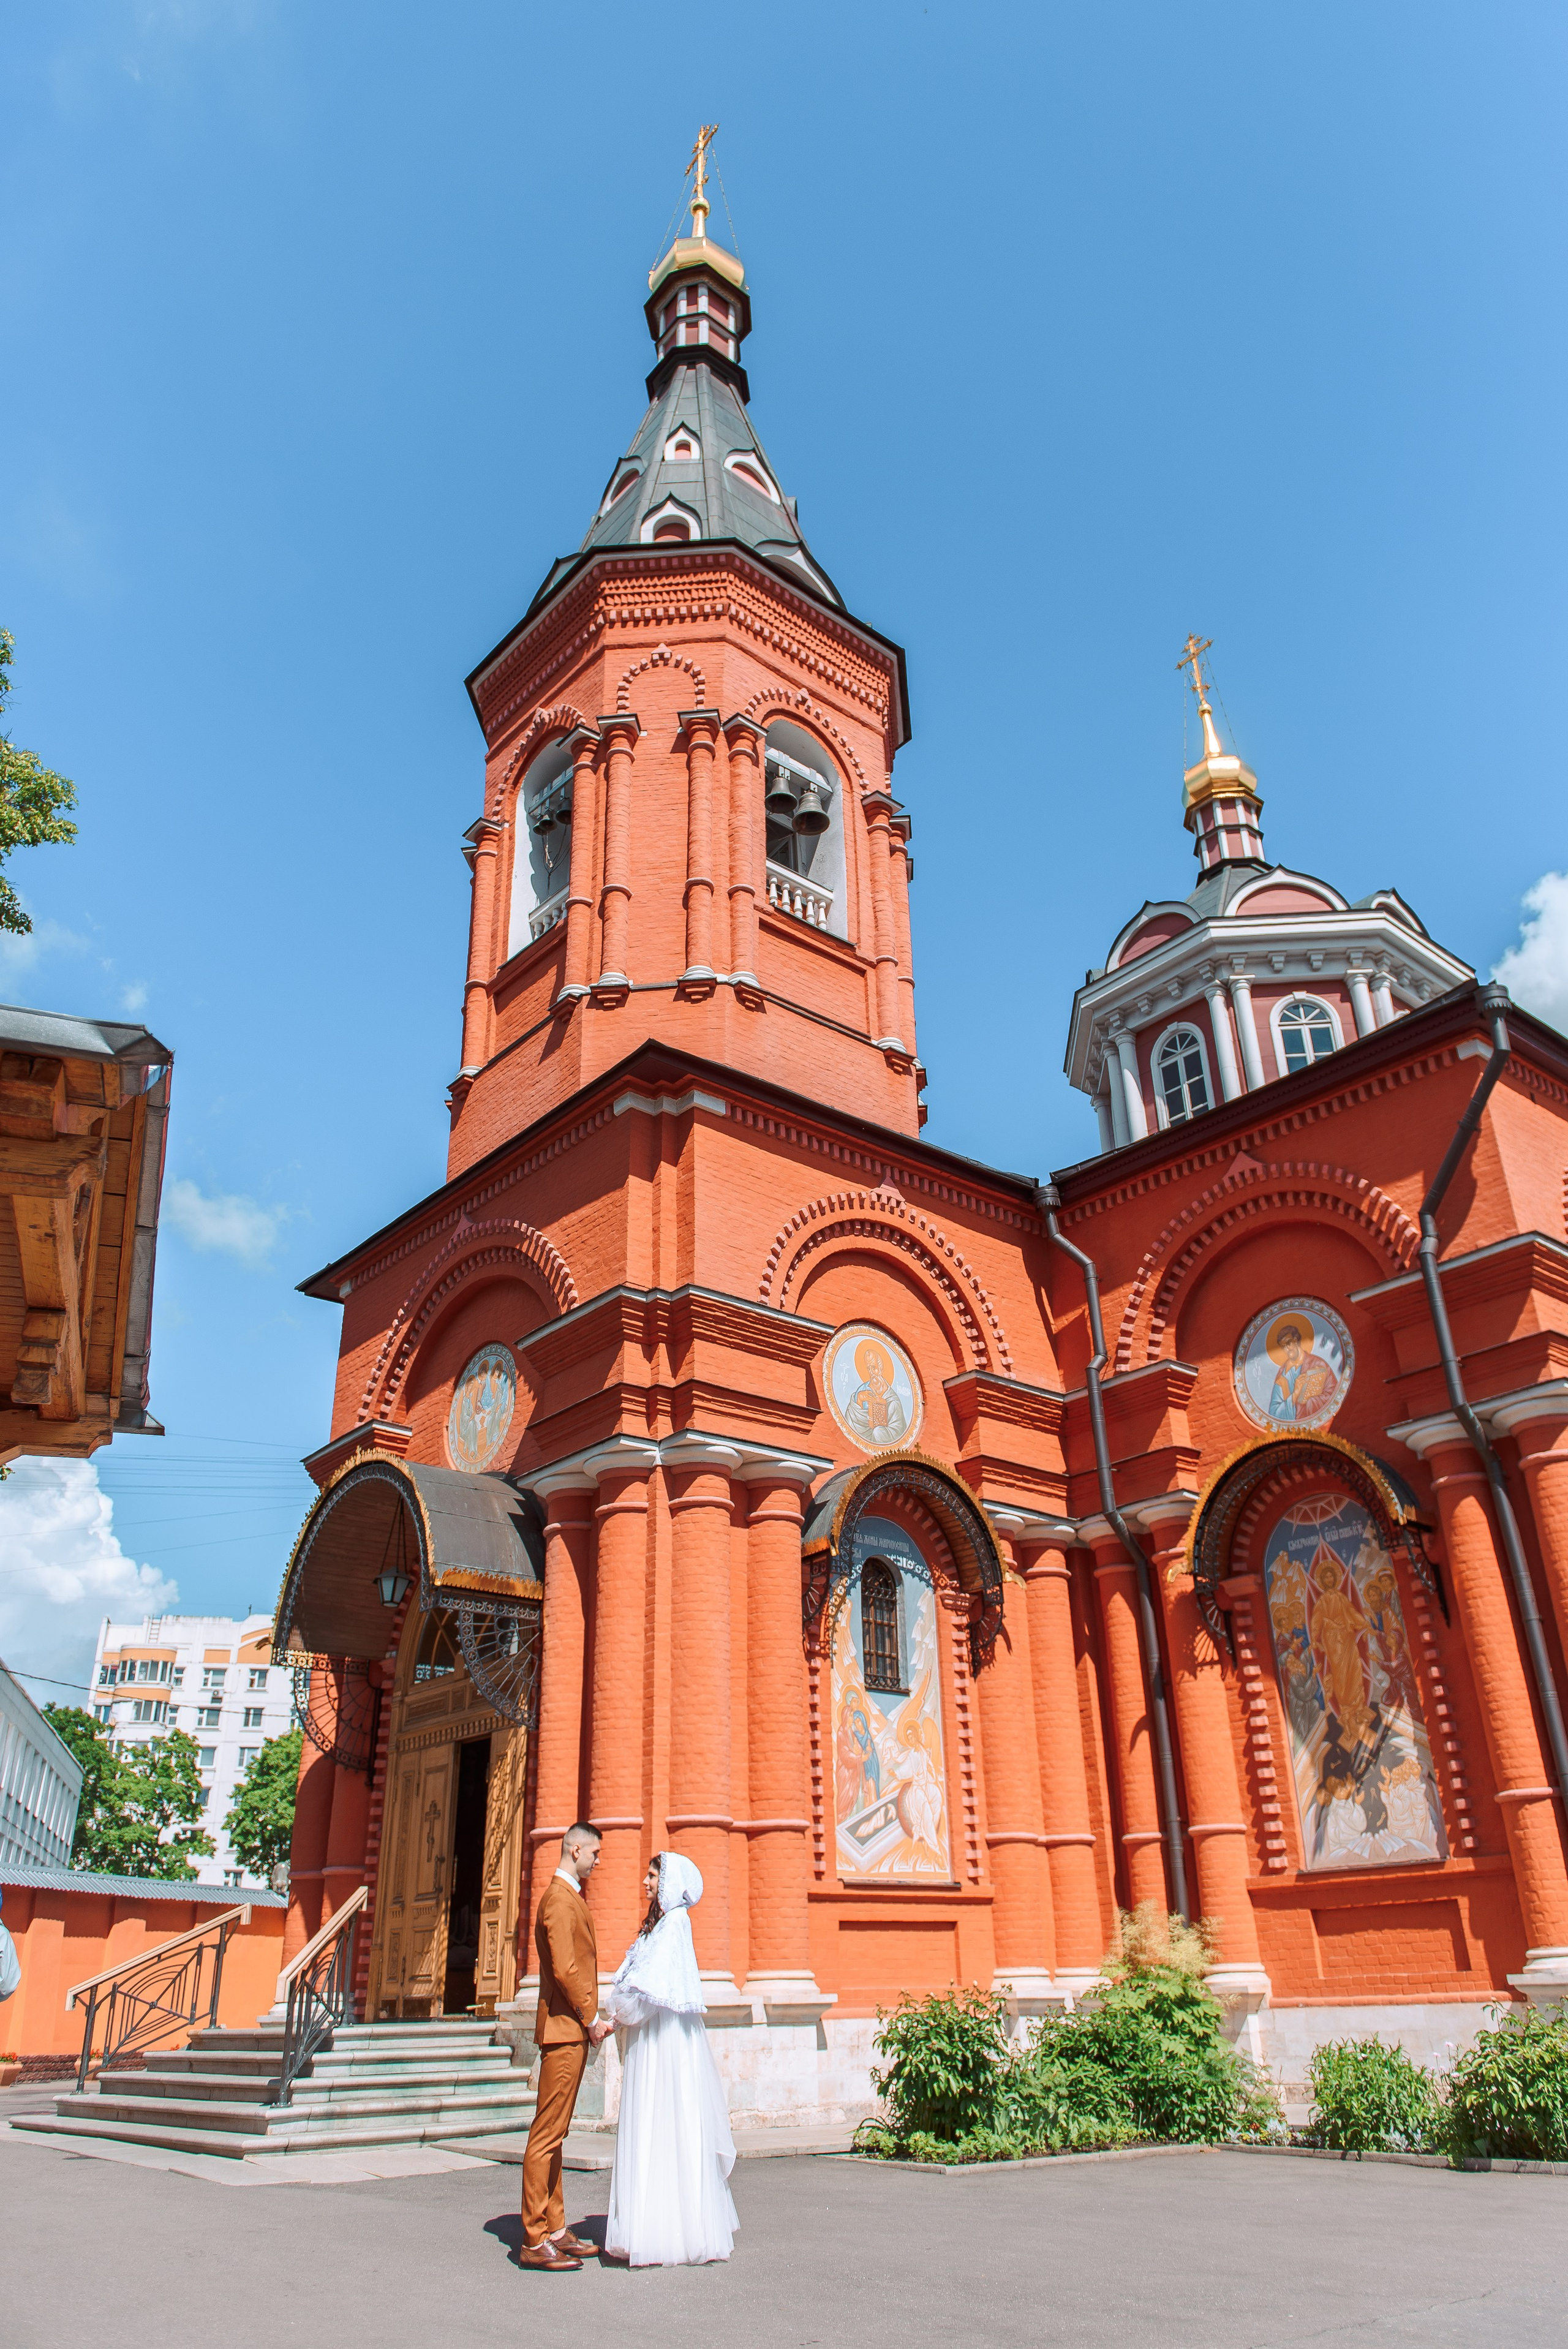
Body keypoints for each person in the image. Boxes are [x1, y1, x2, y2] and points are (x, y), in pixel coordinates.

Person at [601, 1852, 739, 2267]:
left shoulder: (674, 1924)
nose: (645, 1881)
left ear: (669, 1881)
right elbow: (634, 1981)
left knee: (664, 2122)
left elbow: (647, 1991)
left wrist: (613, 2017)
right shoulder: (660, 1926)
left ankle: (667, 2232)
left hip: (666, 2044)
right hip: (654, 2040)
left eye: (652, 1874)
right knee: (655, 2124)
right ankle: (653, 2226)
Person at [519, 1822, 611, 2272]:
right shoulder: (557, 1899)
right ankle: (535, 2236)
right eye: (594, 1852)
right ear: (575, 1848)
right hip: (565, 2028)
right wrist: (592, 2018)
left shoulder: (569, 1896)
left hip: (569, 2029)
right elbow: (565, 1966)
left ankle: (555, 2227)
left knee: (556, 2133)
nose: (598, 1860)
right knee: (546, 2134)